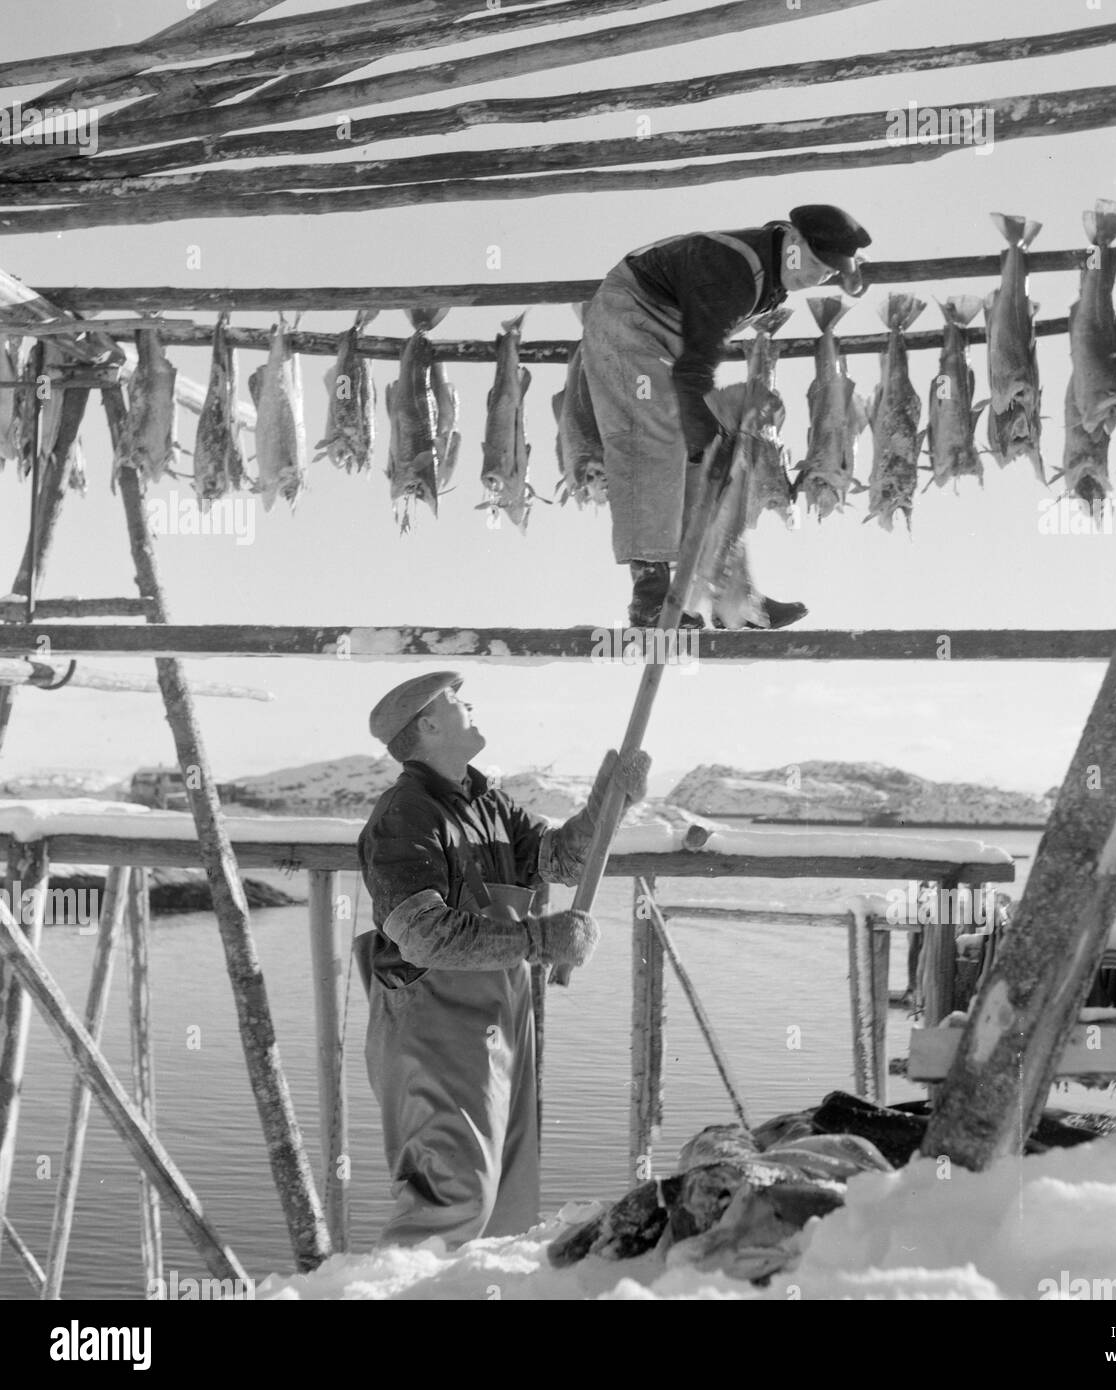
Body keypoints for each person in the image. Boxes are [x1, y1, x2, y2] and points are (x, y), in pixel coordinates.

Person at [355, 671, 649, 1248]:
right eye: (458, 701)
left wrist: (610, 804)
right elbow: (422, 935)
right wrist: (540, 942)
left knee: (503, 1204)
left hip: (497, 1022)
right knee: (449, 1199)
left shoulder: (488, 802)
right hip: (430, 1032)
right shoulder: (404, 816)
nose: (472, 704)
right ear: (430, 725)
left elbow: (560, 861)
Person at [573, 204, 871, 628]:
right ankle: (652, 597)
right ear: (792, 240)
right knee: (655, 438)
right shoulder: (730, 271)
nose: (817, 278)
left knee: (716, 461)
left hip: (670, 331)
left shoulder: (775, 259)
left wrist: (852, 277)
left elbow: (842, 269)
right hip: (628, 319)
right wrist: (702, 428)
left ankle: (734, 596)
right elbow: (695, 367)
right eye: (816, 264)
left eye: (829, 273)